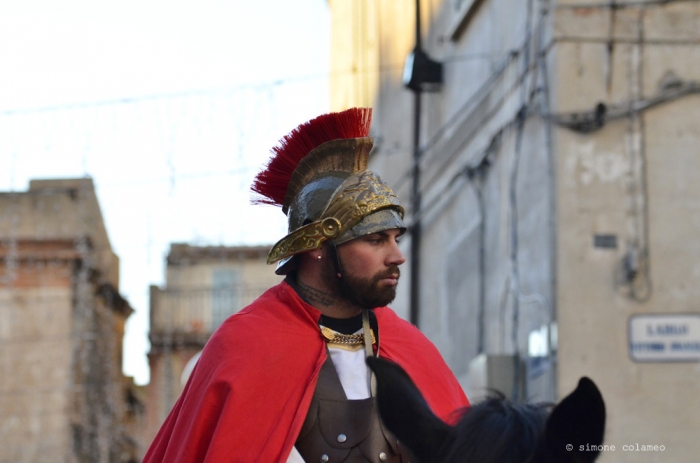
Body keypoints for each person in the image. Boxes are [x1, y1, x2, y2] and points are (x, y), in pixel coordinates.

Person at [143, 108, 469, 463]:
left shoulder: (410, 347)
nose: (396, 256)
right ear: (316, 246)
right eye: (375, 240)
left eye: (395, 239)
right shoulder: (245, 345)